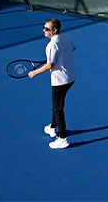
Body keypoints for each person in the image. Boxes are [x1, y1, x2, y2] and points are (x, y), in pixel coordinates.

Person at [28, 18, 76, 149]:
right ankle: (53, 127)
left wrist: (35, 72)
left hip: (60, 81)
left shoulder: (51, 45)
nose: (44, 30)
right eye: (43, 27)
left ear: (54, 30)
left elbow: (49, 65)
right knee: (58, 103)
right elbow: (71, 49)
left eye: (47, 29)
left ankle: (62, 138)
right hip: (71, 78)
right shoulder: (66, 37)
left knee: (58, 108)